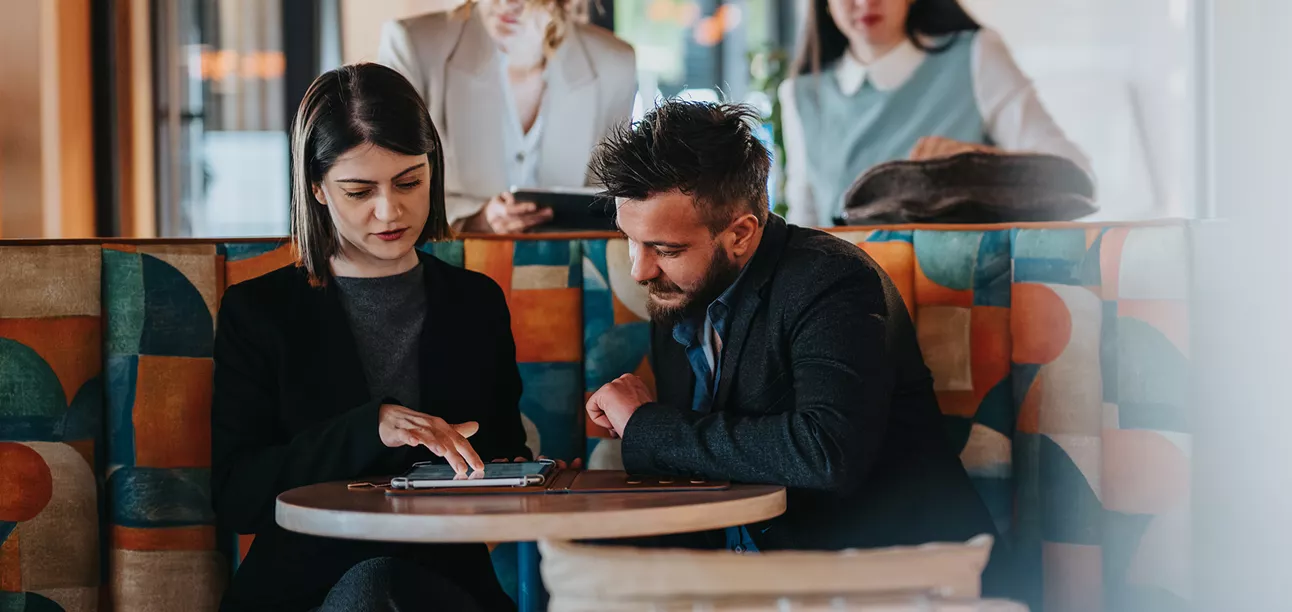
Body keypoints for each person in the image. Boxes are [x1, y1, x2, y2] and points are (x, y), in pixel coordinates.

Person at [583, 99, 995, 551]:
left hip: (896, 573)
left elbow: (827, 452)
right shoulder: (679, 294)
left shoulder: (831, 280)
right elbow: (698, 474)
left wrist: (647, 425)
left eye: (666, 249)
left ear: (740, 234)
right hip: (760, 577)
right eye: (632, 242)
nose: (640, 271)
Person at [210, 63, 526, 612]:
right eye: (359, 191)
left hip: (444, 583)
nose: (391, 210)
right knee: (372, 590)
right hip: (305, 590)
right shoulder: (260, 312)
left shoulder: (476, 302)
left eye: (409, 182)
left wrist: (527, 472)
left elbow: (498, 453)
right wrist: (370, 429)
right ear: (317, 188)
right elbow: (240, 496)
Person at [779, 0, 1091, 227]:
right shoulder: (801, 96)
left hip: (968, 299)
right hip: (843, 306)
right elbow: (804, 224)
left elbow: (1074, 175)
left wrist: (976, 160)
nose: (865, 2)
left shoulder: (975, 56)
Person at [379, 0, 645, 233]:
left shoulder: (614, 63)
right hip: (453, 263)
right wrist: (475, 219)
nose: (506, 2)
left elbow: (608, 203)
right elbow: (391, 186)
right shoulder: (413, 47)